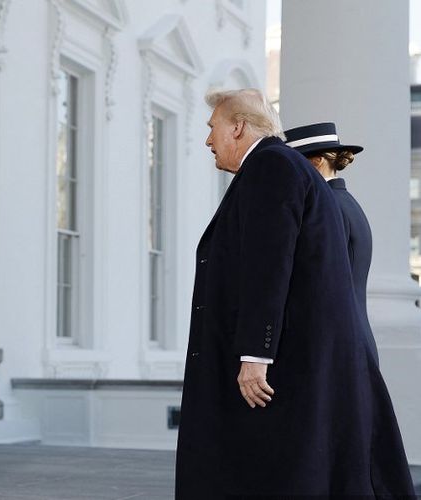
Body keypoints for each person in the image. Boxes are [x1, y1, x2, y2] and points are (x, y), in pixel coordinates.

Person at [175, 88, 415, 497]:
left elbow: (268, 264)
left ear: (238, 126)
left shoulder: (271, 166)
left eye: (212, 127)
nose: (208, 140)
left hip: (280, 366)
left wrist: (255, 354)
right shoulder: (276, 167)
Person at [284, 122, 379, 364]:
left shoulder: (327, 207)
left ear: (315, 162)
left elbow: (322, 283)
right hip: (350, 342)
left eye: (292, 165)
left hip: (335, 349)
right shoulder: (345, 201)